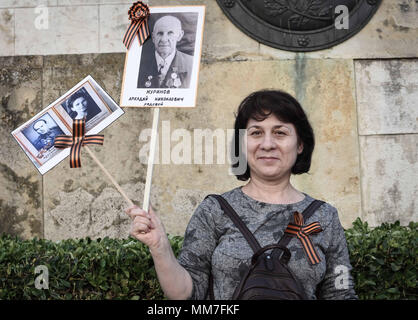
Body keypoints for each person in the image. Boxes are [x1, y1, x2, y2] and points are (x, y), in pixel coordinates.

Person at [125, 90, 357, 300]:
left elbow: (341, 291)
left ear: (300, 145)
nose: (267, 144)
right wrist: (160, 247)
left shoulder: (325, 217)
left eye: (280, 132)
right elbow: (186, 293)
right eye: (256, 133)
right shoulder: (215, 210)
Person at [137, 15, 194, 89]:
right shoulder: (139, 64)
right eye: (160, 33)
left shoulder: (192, 63)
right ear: (153, 37)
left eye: (170, 33)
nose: (164, 39)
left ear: (179, 35)